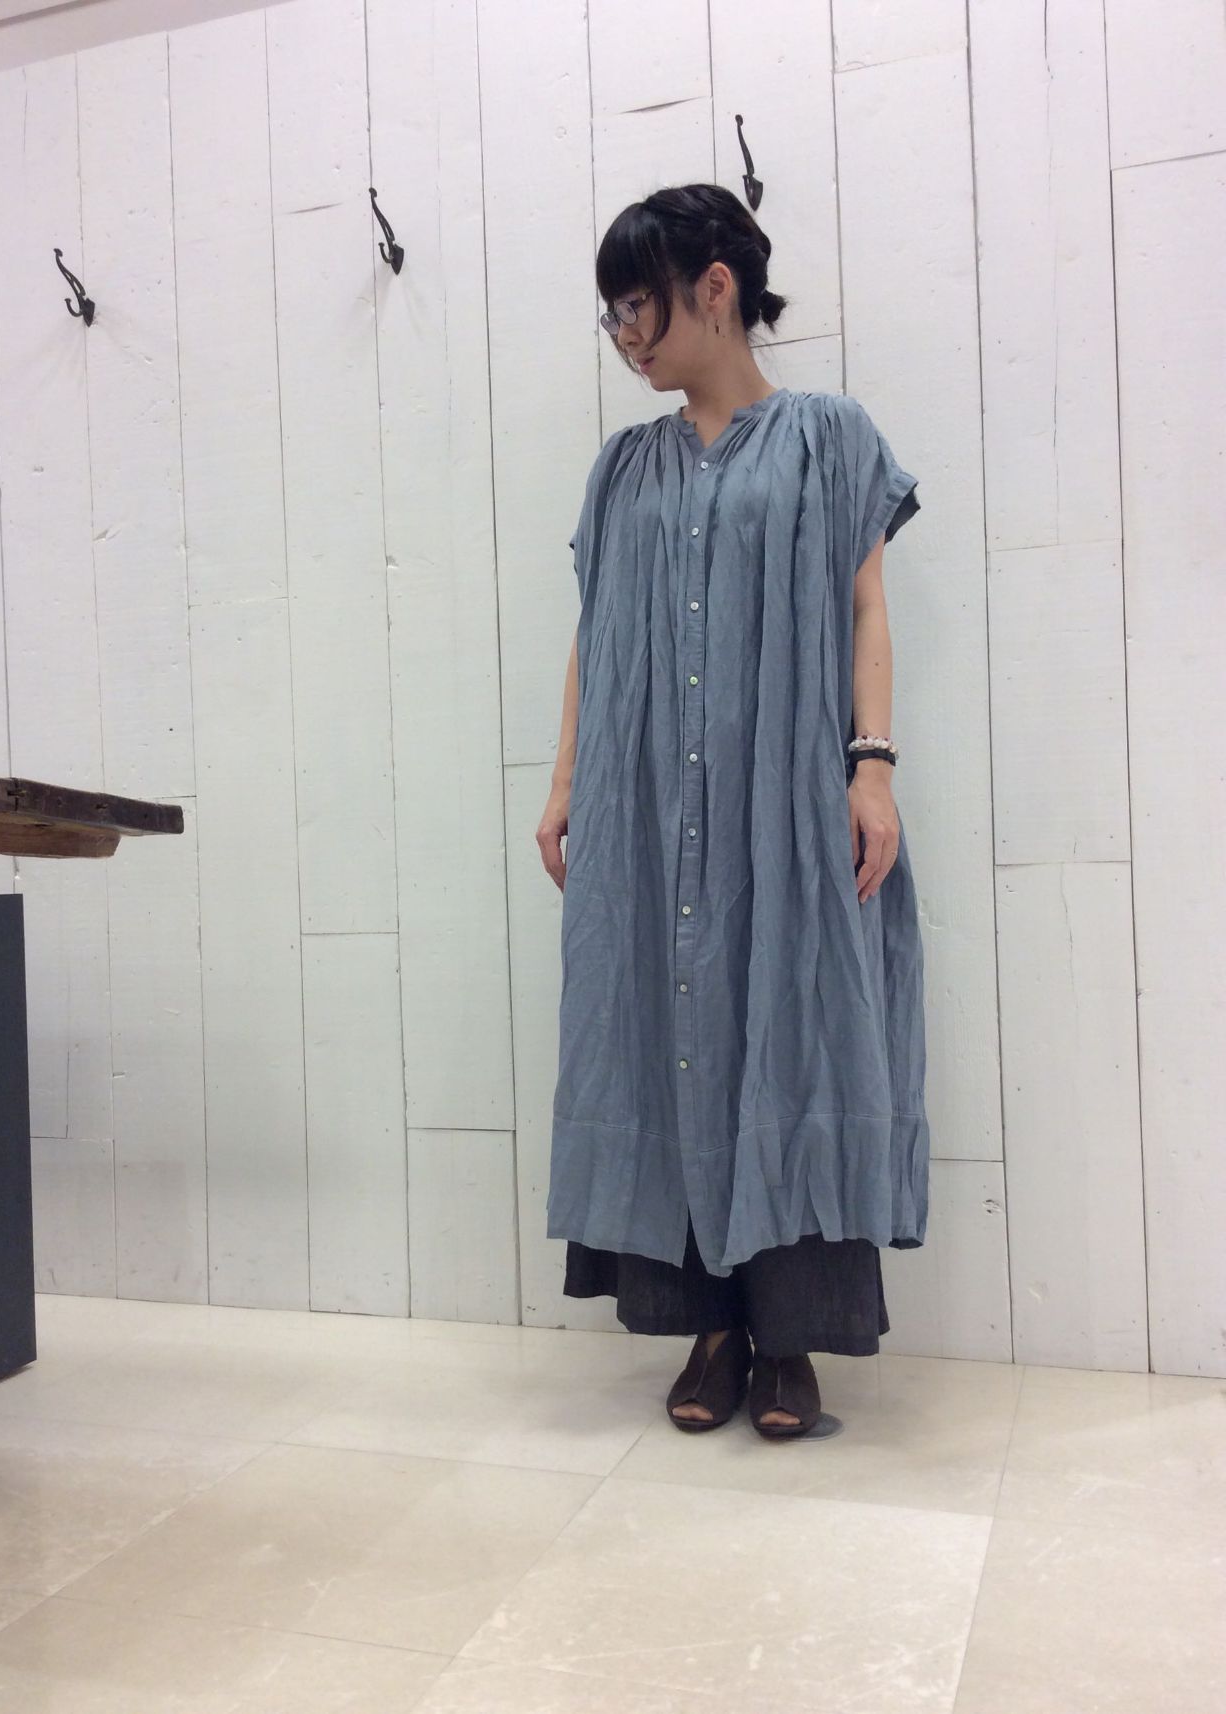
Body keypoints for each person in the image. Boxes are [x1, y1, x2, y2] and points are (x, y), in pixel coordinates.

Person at [536, 184, 929, 1442]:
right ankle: (708, 1327)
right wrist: (565, 783)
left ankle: (792, 1337)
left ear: (715, 288)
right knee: (658, 1027)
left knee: (797, 1028)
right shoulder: (623, 468)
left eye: (637, 306)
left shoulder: (827, 437)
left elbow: (865, 610)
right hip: (646, 799)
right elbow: (594, 637)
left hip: (786, 795)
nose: (624, 337)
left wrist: (871, 767)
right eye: (610, 316)